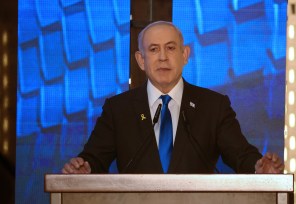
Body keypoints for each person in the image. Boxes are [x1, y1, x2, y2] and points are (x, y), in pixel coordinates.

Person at [62, 21, 284, 174]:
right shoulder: (118, 109)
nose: (162, 58)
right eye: (153, 50)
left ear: (184, 55)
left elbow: (240, 153)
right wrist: (84, 166)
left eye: (170, 48)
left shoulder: (213, 106)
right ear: (141, 60)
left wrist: (258, 165)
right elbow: (94, 158)